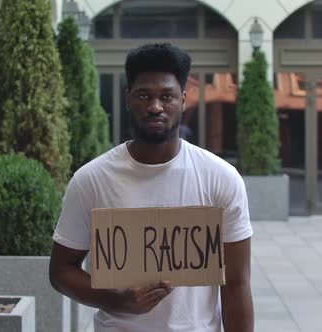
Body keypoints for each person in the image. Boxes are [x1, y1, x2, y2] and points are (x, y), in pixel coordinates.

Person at [49, 43, 254, 332]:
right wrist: (116, 299)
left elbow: (236, 284)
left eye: (166, 96)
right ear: (128, 99)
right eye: (143, 95)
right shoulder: (92, 179)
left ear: (183, 99)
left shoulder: (220, 178)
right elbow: (60, 272)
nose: (155, 106)